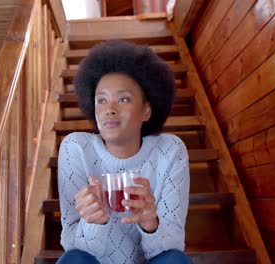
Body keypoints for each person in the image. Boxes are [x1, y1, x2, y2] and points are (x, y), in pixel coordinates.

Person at [57, 40, 192, 264]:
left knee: (176, 260)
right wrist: (93, 223)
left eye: (123, 99)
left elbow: (174, 245)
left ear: (146, 111)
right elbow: (71, 247)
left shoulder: (170, 150)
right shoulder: (76, 149)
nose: (109, 109)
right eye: (101, 100)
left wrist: (152, 224)